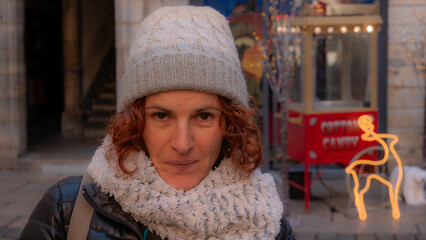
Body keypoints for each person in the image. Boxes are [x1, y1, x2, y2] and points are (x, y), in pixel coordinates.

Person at [20, 6, 295, 240]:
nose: (182, 143)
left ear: (230, 124)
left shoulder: (268, 224)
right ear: (135, 122)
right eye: (161, 116)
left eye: (203, 116)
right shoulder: (66, 212)